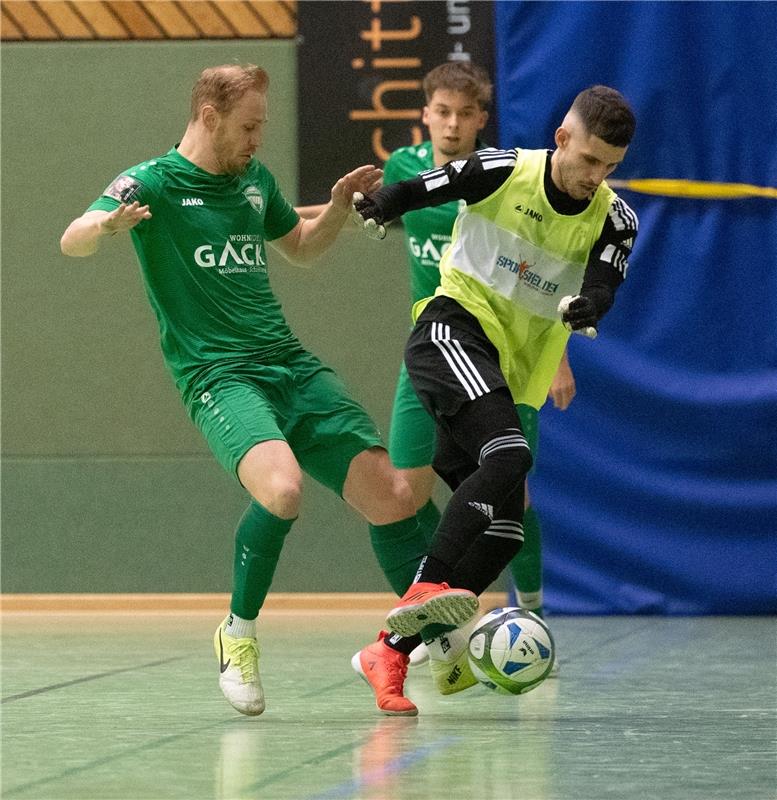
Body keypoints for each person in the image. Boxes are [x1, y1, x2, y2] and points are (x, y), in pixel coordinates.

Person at [60, 63, 433, 717]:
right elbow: (72, 239)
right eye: (249, 126)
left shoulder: (252, 182)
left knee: (394, 496)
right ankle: (237, 635)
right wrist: (106, 228)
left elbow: (300, 248)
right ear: (209, 118)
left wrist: (338, 211)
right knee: (282, 489)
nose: (258, 139)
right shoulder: (149, 183)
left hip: (287, 364)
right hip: (217, 375)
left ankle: (428, 636)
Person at [351, 85, 638, 715]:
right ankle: (427, 591)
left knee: (506, 531)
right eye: (589, 160)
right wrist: (380, 203)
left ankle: (389, 650)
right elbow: (425, 188)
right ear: (562, 138)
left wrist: (589, 307)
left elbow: (603, 283)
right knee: (508, 458)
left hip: (509, 373)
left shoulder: (616, 219)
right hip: (452, 330)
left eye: (610, 167)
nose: (596, 177)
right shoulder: (505, 169)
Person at [381, 62, 578, 660]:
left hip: (501, 351)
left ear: (481, 121)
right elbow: (369, 209)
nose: (453, 122)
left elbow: (549, 270)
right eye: (442, 110)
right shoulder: (402, 170)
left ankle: (532, 613)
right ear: (425, 113)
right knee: (401, 491)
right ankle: (427, 620)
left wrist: (561, 354)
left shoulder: (500, 177)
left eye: (465, 113)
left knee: (512, 488)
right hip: (434, 344)